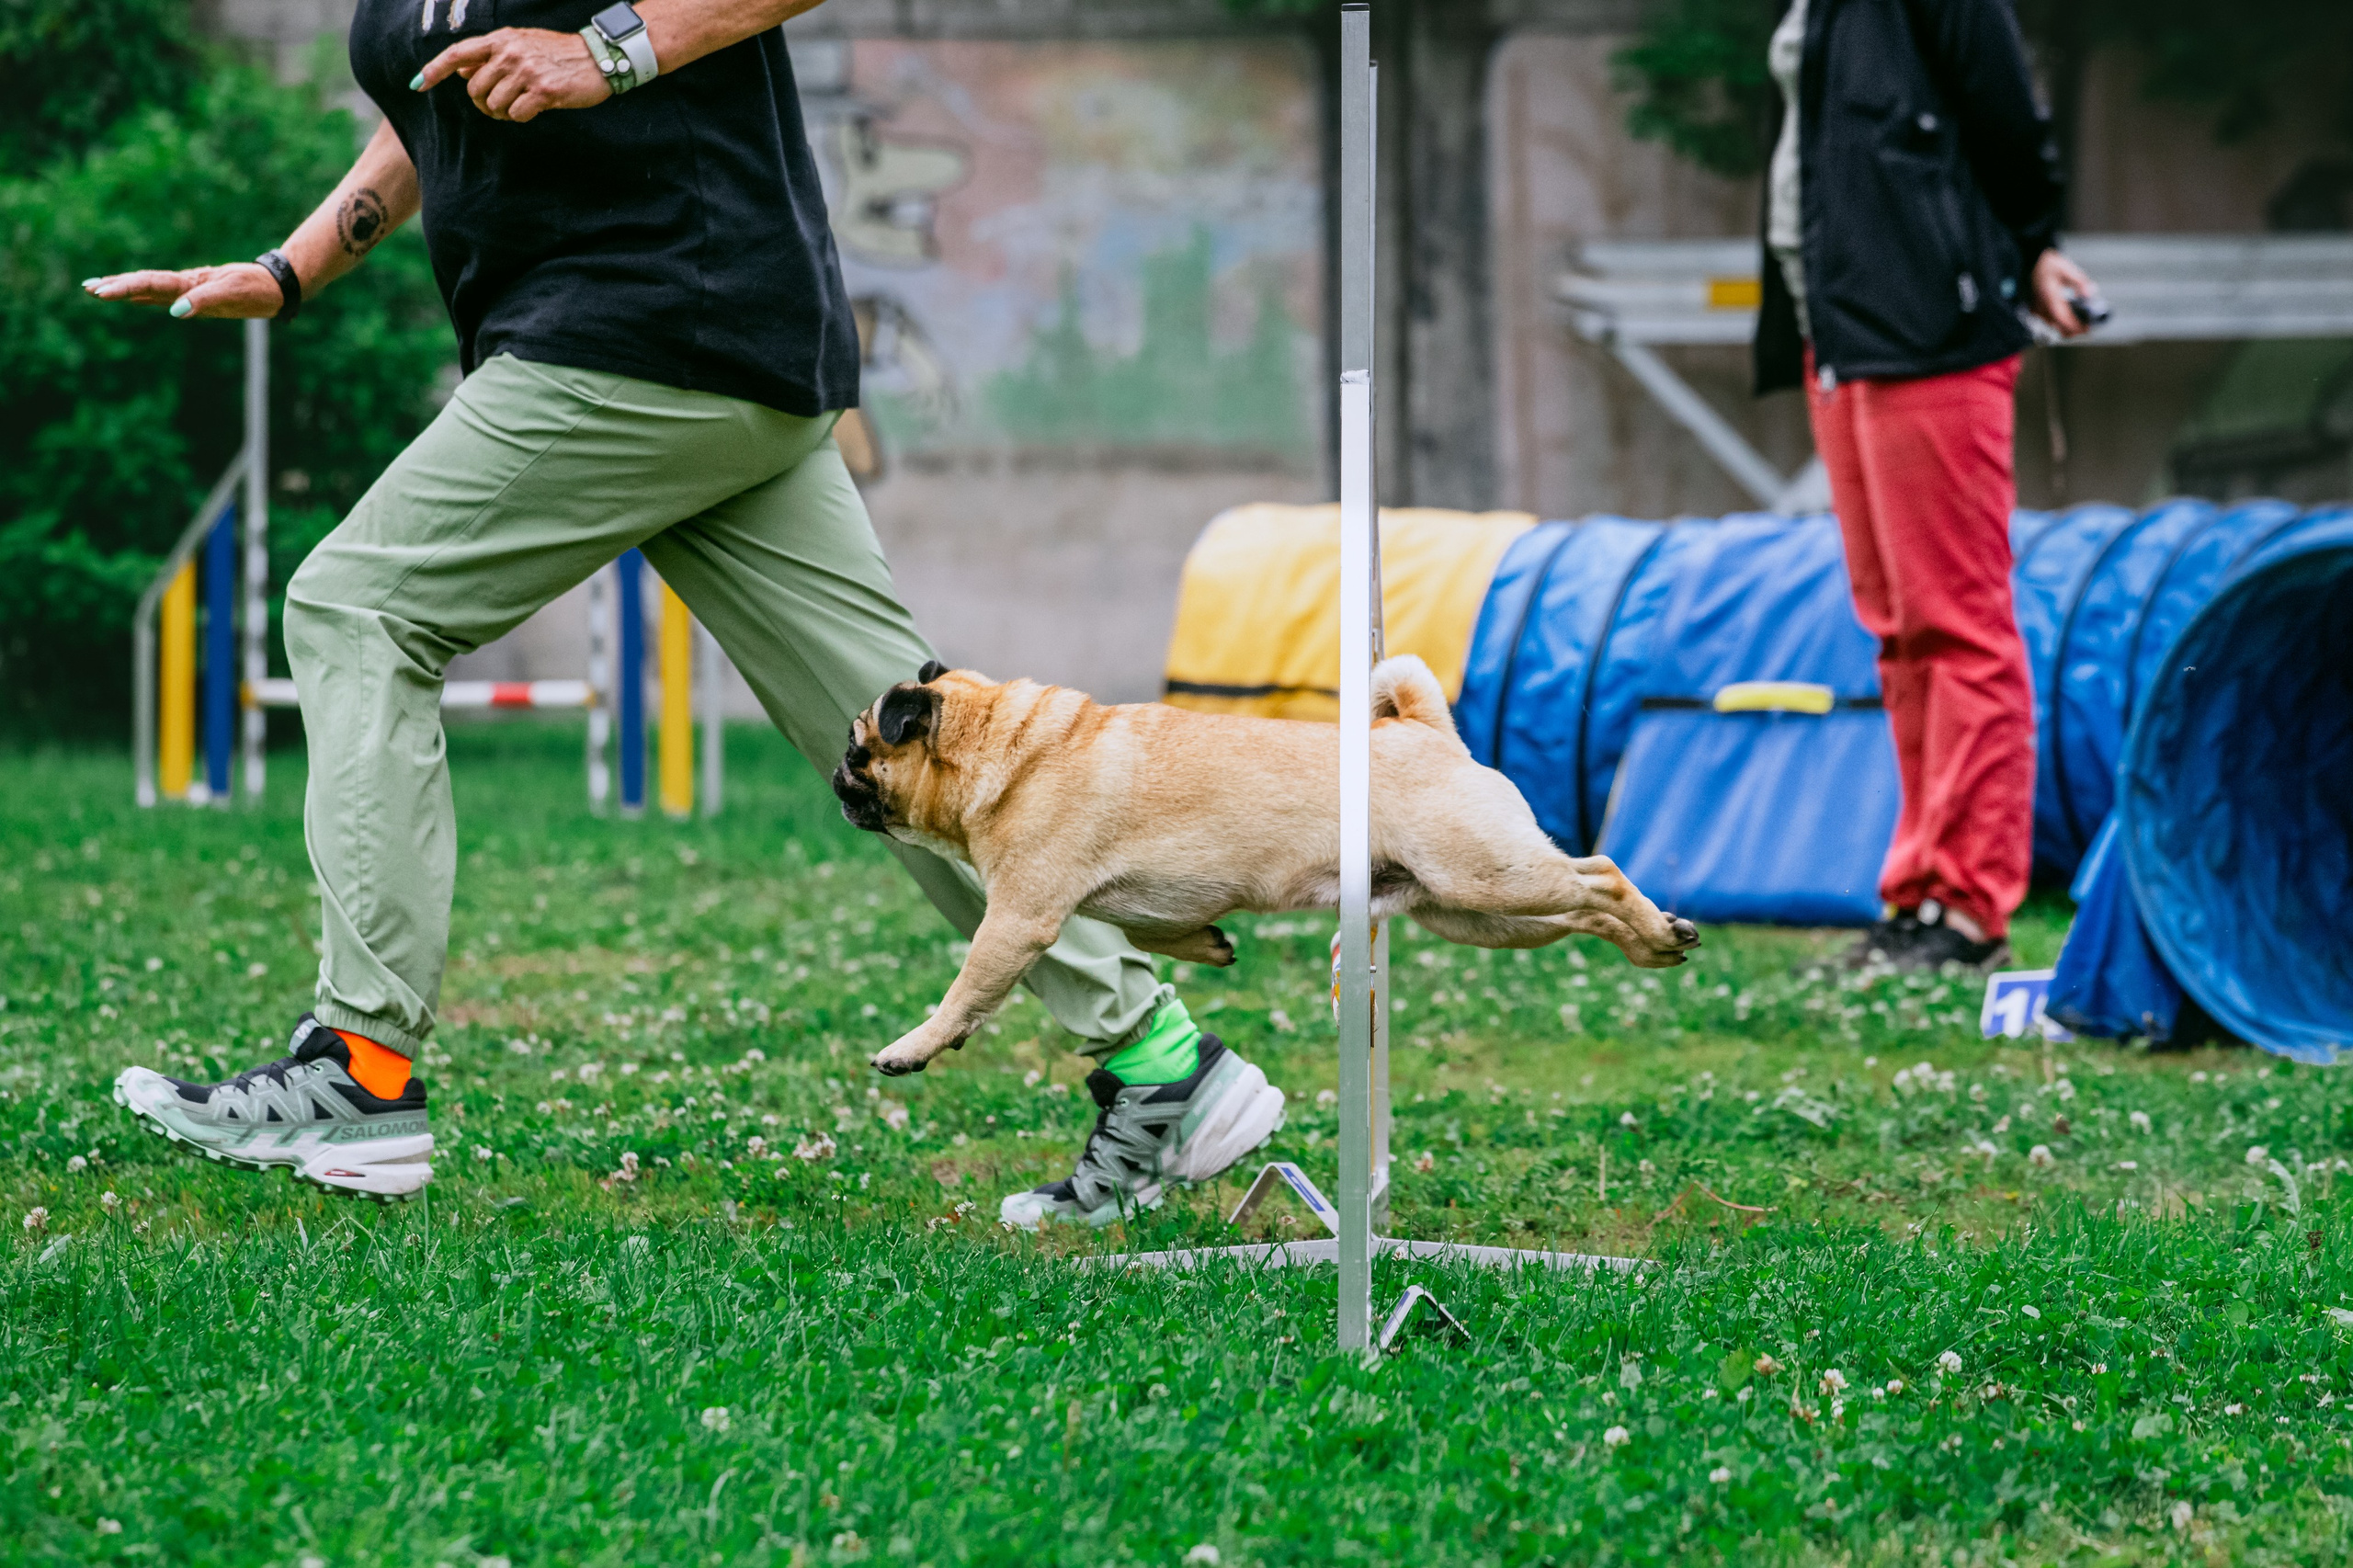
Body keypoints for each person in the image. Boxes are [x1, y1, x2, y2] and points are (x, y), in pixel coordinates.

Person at [91, 0, 1282, 1221]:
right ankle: (1163, 1066)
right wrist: (293, 268)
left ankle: (361, 1068)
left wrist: (606, 54)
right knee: (909, 751)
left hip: (648, 324)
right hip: (712, 356)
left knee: (355, 608)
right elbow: (431, 110)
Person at [1754, 0, 2099, 971]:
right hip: (1843, 326)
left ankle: (1969, 905)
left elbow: (2005, 117)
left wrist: (2032, 243)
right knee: (1899, 631)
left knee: (1960, 625)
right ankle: (1917, 894)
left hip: (1930, 325)